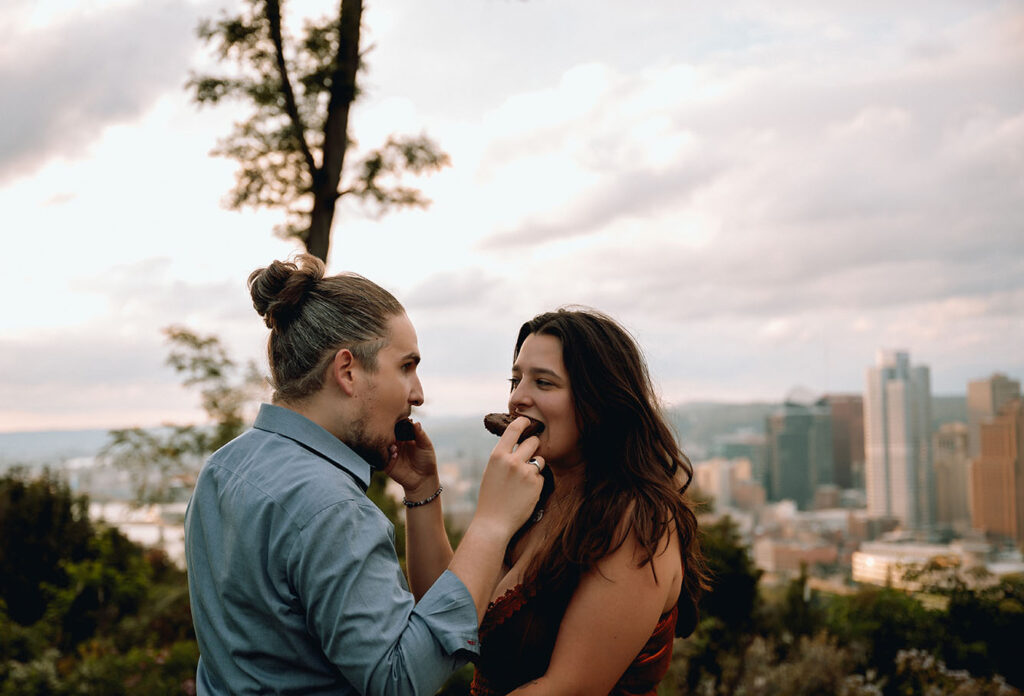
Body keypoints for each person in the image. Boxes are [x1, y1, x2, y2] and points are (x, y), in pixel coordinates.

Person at [184, 254, 545, 695]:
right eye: (406, 366)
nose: (418, 393)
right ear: (348, 371)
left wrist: (422, 490)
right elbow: (400, 681)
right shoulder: (333, 509)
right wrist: (492, 524)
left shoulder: (222, 467)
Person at [470, 308, 709, 696]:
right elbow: (451, 615)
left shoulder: (636, 522)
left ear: (597, 401)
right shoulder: (535, 497)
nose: (517, 399)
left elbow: (567, 688)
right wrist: (422, 489)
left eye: (544, 383)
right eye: (515, 380)